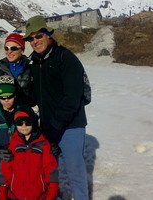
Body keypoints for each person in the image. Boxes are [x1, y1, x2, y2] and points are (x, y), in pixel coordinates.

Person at [23, 15, 90, 199]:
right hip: (48, 127)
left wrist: (54, 126)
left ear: (47, 34)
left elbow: (72, 98)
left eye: (38, 36)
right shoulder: (35, 63)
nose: (35, 41)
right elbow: (34, 97)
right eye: (31, 38)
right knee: (50, 171)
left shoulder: (65, 58)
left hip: (70, 127)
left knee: (75, 172)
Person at [0, 106, 59, 200]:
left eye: (27, 122)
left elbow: (52, 175)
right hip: (15, 196)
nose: (24, 126)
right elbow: (5, 173)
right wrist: (2, 196)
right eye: (19, 123)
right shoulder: (12, 145)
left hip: (39, 196)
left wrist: (50, 197)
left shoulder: (44, 145)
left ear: (33, 122)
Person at [0, 33, 33, 120]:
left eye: (14, 48)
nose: (9, 51)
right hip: (2, 117)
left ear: (22, 50)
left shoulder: (30, 69)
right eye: (6, 48)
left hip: (23, 119)